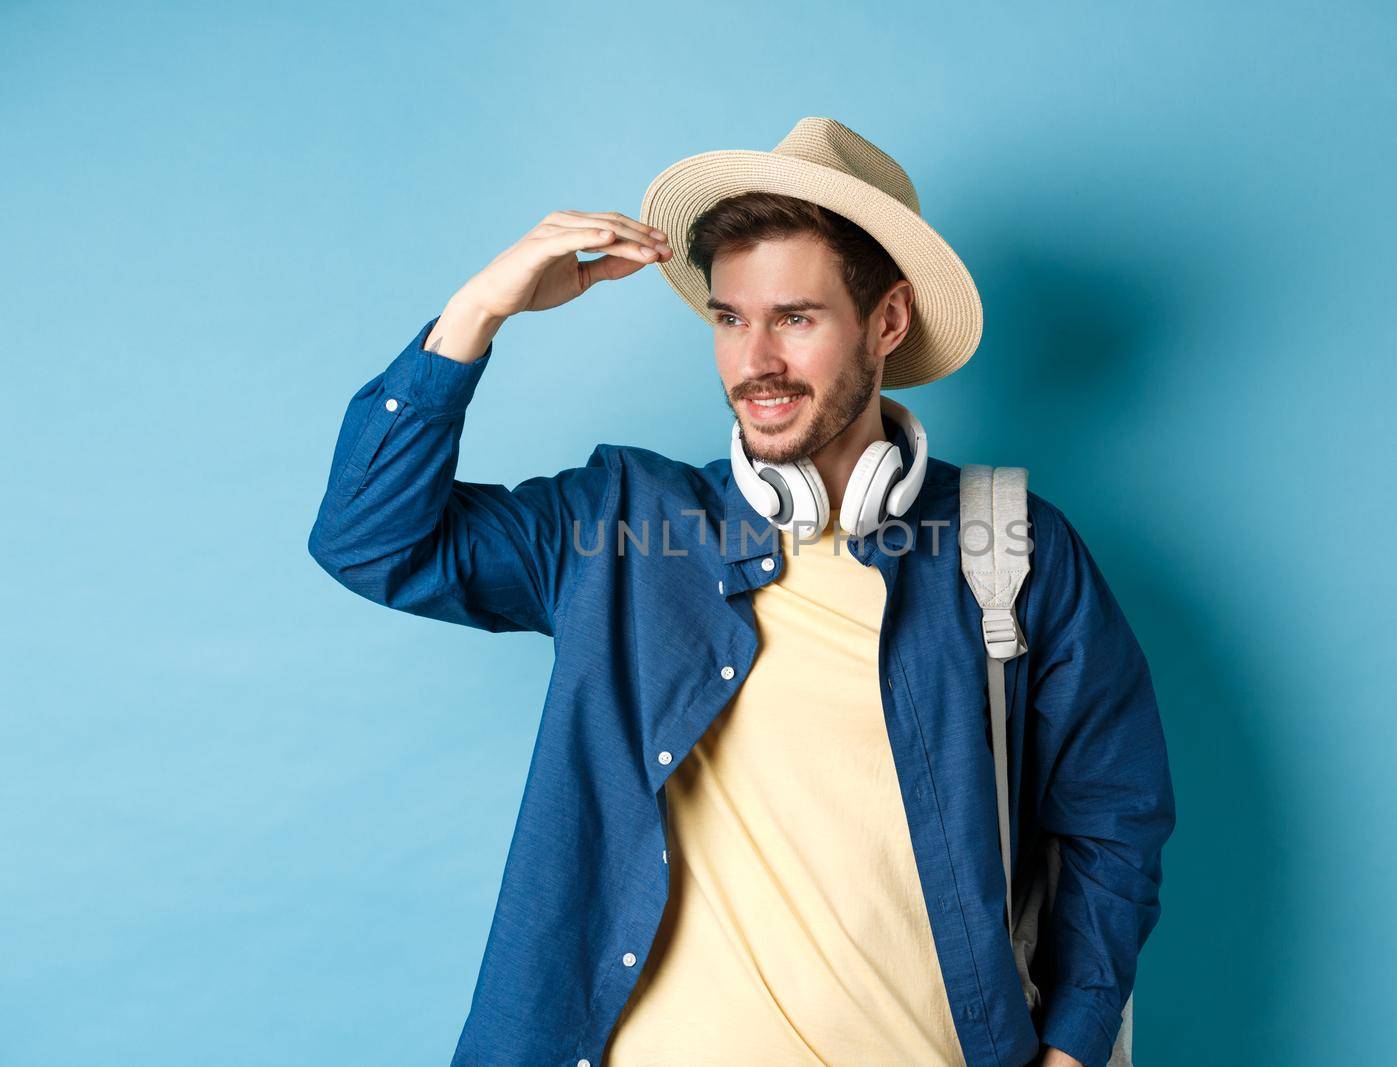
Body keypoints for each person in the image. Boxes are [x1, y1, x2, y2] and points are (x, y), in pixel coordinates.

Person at [307, 117, 1176, 1067]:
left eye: (795, 318)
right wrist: (477, 314)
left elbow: (1113, 815)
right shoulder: (620, 526)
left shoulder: (1007, 545)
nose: (753, 360)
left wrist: (1074, 1046)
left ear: (886, 320)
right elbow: (369, 537)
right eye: (730, 318)